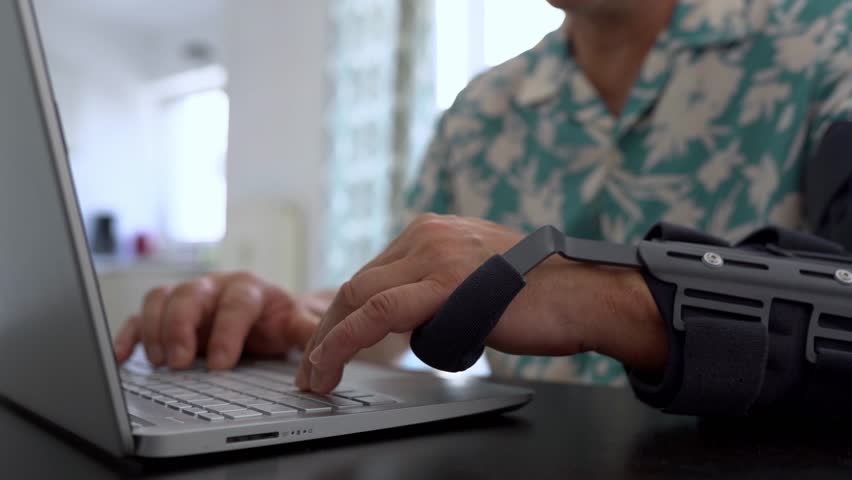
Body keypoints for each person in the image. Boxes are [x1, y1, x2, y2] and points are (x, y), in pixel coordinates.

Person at [114, 0, 852, 398]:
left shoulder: (827, 41)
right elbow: (411, 304)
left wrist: (589, 294)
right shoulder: (480, 111)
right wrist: (301, 320)